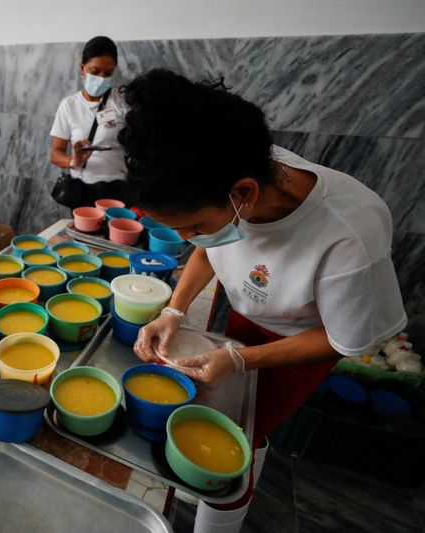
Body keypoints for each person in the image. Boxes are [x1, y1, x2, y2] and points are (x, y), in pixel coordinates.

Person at [119, 69, 407, 533]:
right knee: (206, 407)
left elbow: (342, 340)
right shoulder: (232, 179)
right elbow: (210, 246)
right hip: (245, 314)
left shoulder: (350, 236)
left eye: (190, 226)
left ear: (244, 194)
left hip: (302, 345)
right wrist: (173, 310)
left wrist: (241, 359)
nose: (187, 240)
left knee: (238, 439)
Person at [49, 36, 128, 209]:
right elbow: (55, 153)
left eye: (107, 74)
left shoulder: (122, 102)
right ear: (82, 68)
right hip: (83, 190)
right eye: (95, 71)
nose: (101, 78)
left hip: (119, 189)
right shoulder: (69, 105)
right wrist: (73, 161)